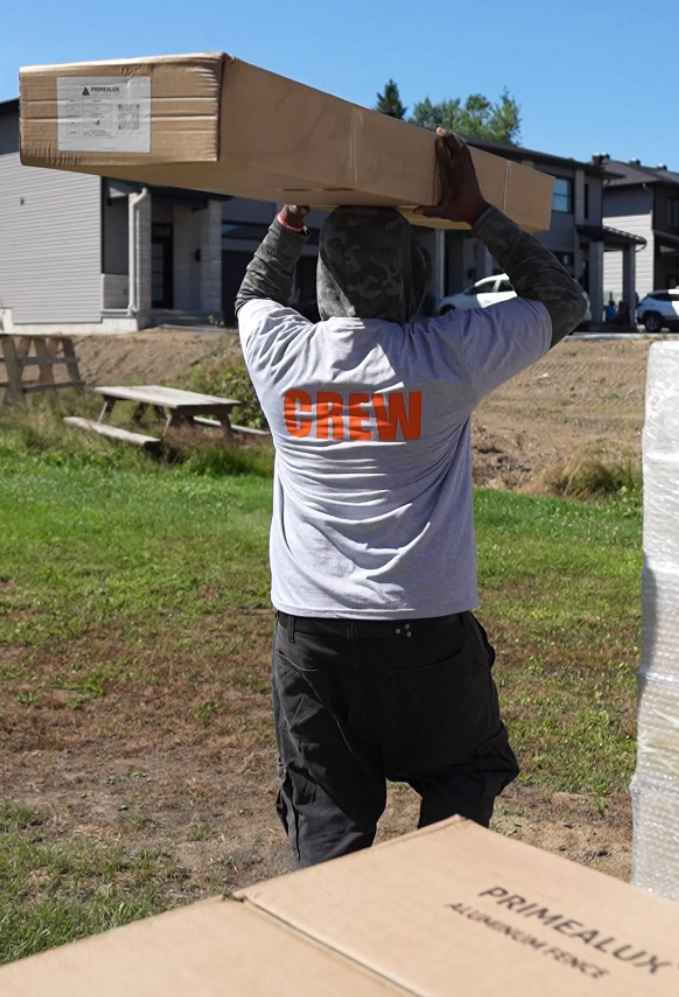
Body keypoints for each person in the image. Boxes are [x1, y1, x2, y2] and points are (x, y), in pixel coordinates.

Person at [235, 129, 586, 868]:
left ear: (325, 280)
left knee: (325, 816)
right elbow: (562, 300)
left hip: (311, 637)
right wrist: (477, 214)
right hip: (424, 632)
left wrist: (293, 213)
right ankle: (432, 913)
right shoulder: (444, 357)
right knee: (464, 771)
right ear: (416, 280)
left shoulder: (280, 356)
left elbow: (255, 294)